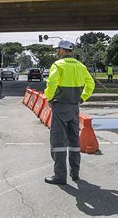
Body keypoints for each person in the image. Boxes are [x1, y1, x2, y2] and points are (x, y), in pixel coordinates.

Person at [44, 40, 95, 185]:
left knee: (58, 141)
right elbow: (91, 84)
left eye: (57, 49)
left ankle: (60, 176)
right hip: (74, 107)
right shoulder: (81, 66)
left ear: (61, 50)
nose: (57, 51)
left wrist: (49, 97)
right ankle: (75, 173)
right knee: (74, 140)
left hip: (60, 106)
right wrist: (82, 98)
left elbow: (52, 83)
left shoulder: (58, 65)